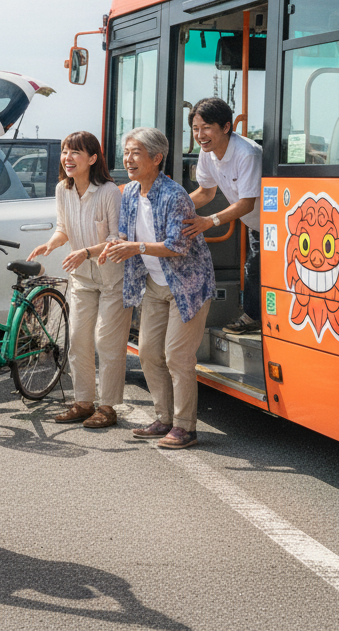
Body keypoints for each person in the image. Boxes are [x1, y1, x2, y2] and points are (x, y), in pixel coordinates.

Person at [102, 127, 216, 449]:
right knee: (150, 353)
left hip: (187, 284)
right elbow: (124, 235)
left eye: (135, 153)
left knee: (177, 356)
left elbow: (176, 246)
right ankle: (164, 418)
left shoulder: (174, 195)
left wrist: (134, 248)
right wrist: (112, 247)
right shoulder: (129, 193)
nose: (128, 159)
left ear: (156, 158)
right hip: (154, 284)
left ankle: (185, 427)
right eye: (126, 152)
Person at [28, 132, 127, 428]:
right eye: (64, 152)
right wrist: (52, 243)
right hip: (82, 279)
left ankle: (108, 407)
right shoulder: (63, 189)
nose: (67, 158)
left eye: (75, 153)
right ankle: (83, 402)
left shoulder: (109, 191)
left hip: (112, 279)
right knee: (79, 341)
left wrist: (85, 252)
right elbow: (64, 227)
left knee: (107, 342)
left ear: (93, 159)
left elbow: (116, 238)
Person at [182, 97, 262, 334]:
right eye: (195, 129)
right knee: (255, 267)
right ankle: (255, 317)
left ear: (226, 127)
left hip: (275, 223)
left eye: (206, 127)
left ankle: (255, 318)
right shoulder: (207, 152)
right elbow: (206, 192)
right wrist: (174, 207)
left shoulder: (247, 154)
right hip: (255, 223)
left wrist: (208, 221)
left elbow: (246, 204)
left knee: (257, 267)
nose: (200, 135)